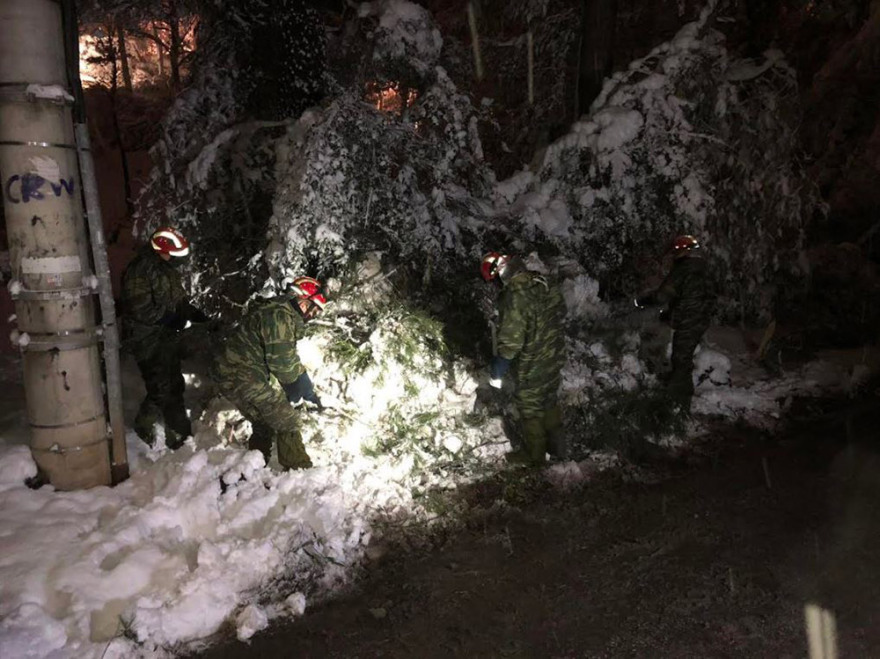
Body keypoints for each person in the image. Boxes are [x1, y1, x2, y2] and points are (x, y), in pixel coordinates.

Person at [211, 277, 327, 470]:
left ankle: (253, 468)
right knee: (288, 419)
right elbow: (283, 364)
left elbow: (283, 358)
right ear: (303, 301)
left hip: (231, 374)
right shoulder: (280, 317)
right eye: (313, 309)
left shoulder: (279, 312)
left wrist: (304, 390)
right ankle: (299, 471)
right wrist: (301, 389)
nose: (312, 316)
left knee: (263, 421)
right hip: (242, 376)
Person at [121, 226, 209, 448]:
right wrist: (171, 319)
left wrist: (194, 315)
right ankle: (154, 432)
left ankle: (172, 431)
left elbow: (178, 301)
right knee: (162, 388)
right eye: (176, 255)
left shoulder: (166, 269)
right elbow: (140, 308)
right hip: (145, 339)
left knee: (173, 384)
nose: (179, 260)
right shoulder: (139, 271)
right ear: (162, 250)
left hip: (165, 337)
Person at [482, 252, 567, 466]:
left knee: (529, 406)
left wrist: (498, 369)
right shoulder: (542, 282)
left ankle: (534, 456)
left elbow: (512, 341)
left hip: (533, 361)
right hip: (554, 354)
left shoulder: (515, 296)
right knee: (548, 398)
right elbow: (559, 308)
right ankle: (559, 449)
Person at [636, 234, 715, 406]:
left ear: (682, 251)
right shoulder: (704, 269)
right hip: (701, 319)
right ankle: (681, 393)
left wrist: (643, 301)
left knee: (681, 358)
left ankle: (677, 400)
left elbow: (664, 295)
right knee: (683, 356)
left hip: (688, 320)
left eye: (675, 252)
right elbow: (698, 296)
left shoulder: (683, 269)